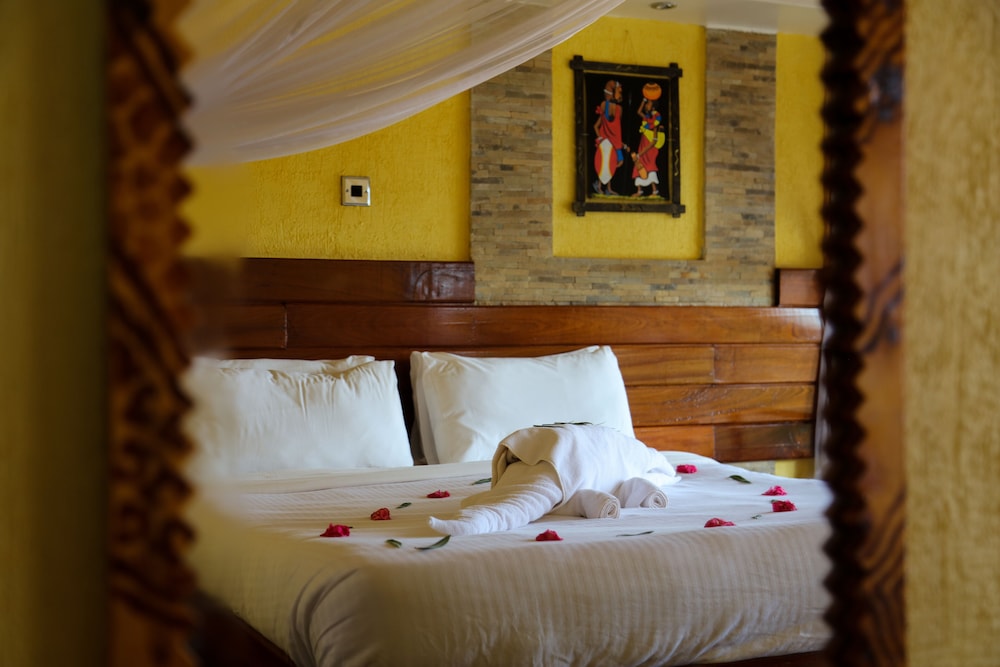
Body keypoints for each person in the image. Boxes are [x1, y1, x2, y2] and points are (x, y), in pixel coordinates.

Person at [592, 80, 625, 195]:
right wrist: (600, 138)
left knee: (611, 164)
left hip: (615, 143)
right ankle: (599, 185)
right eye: (618, 91)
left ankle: (607, 188)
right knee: (604, 163)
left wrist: (620, 146)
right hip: (607, 143)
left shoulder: (618, 109)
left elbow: (616, 129)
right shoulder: (605, 106)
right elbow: (596, 126)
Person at [630, 95, 664, 198]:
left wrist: (641, 153)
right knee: (638, 166)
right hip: (643, 146)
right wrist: (643, 100)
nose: (646, 105)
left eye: (648, 104)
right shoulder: (647, 118)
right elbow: (638, 112)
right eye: (646, 103)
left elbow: (654, 141)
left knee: (649, 167)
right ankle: (639, 190)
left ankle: (655, 191)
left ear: (653, 107)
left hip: (650, 149)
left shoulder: (655, 121)